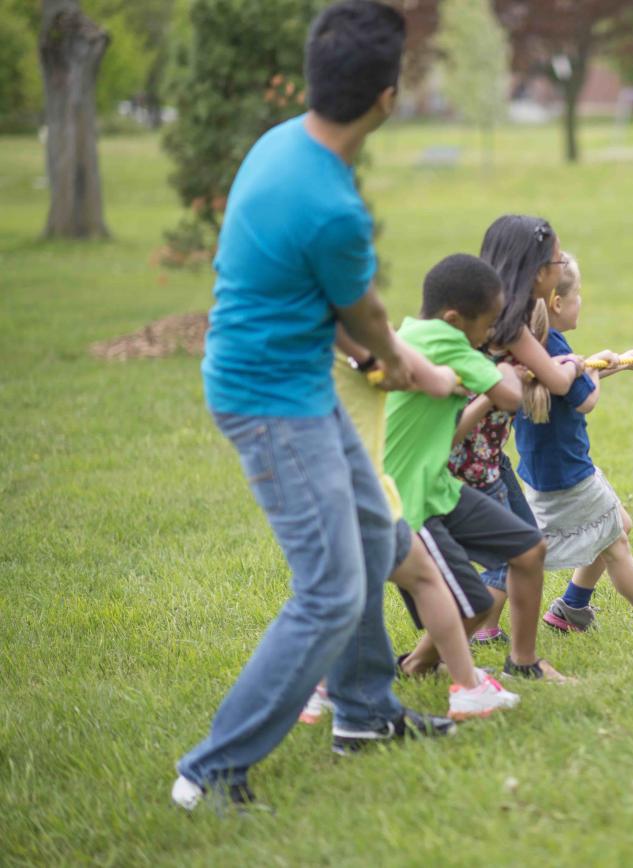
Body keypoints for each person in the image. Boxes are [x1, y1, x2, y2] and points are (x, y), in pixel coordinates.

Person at [173, 1, 449, 813]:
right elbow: (362, 315)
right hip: (270, 400)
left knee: (371, 537)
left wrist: (370, 355)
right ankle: (212, 770)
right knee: (331, 588)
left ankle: (364, 713)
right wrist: (408, 366)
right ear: (388, 98)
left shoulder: (280, 146)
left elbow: (319, 301)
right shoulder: (334, 206)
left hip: (289, 379)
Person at [294, 328, 519, 724]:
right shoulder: (371, 347)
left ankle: (331, 691)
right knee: (357, 593)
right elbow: (433, 380)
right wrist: (455, 377)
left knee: (368, 591)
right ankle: (464, 689)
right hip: (362, 490)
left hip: (351, 486)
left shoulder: (332, 347)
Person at [384, 253, 570, 682]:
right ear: (454, 318)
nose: (489, 334)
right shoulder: (445, 341)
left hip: (437, 486)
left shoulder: (414, 331)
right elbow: (508, 396)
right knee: (474, 603)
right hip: (407, 499)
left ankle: (522, 663)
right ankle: (421, 668)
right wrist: (504, 369)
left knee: (529, 549)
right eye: (486, 325)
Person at [509, 254, 633, 631]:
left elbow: (572, 386)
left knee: (618, 525)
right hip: (568, 474)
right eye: (577, 294)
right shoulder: (552, 345)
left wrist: (620, 364)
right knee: (616, 545)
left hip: (546, 471)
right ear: (557, 303)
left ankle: (572, 607)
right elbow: (585, 398)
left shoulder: (531, 343)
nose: (581, 301)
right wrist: (597, 369)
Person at [448, 216, 584, 648]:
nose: (562, 268)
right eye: (557, 260)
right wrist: (577, 364)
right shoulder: (513, 323)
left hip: (484, 454)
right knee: (519, 554)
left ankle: (517, 658)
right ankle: (442, 652)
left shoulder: (489, 313)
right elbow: (560, 384)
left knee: (528, 550)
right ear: (536, 269)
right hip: (470, 460)